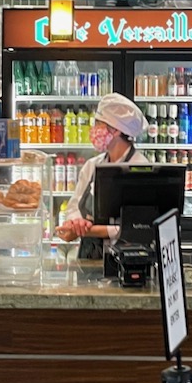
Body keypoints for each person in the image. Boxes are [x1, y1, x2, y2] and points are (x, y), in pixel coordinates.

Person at [55, 94, 149, 259]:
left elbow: (138, 226)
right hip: (89, 256)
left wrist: (87, 231)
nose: (94, 130)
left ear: (116, 129)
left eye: (99, 124)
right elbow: (74, 206)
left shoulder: (140, 167)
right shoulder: (93, 165)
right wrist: (77, 222)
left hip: (127, 258)